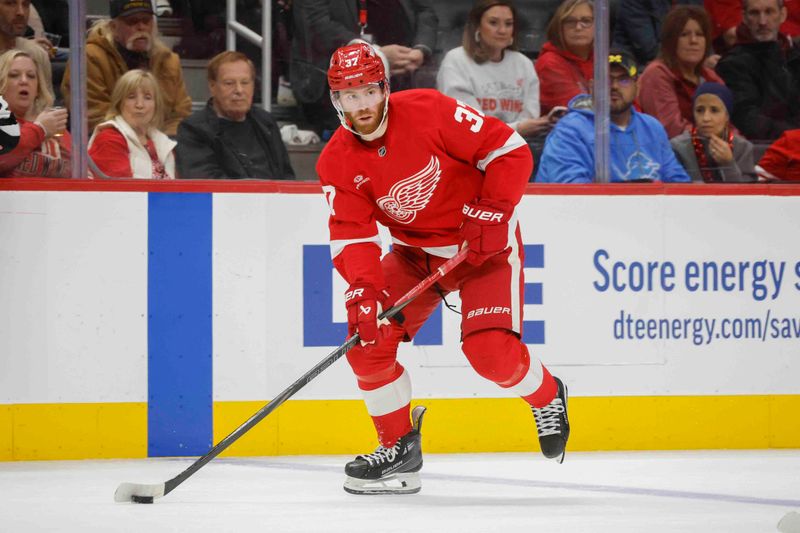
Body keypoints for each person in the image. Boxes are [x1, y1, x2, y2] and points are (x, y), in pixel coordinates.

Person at [316, 43, 570, 495]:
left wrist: (494, 210)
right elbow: (353, 235)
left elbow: (509, 151)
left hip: (482, 250)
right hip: (415, 255)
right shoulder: (336, 160)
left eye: (368, 92)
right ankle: (399, 451)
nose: (362, 106)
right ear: (336, 101)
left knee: (490, 354)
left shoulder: (429, 110)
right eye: (349, 96)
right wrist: (364, 289)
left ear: (385, 89)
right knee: (366, 344)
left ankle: (548, 396)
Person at [536, 50, 691, 183]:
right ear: (591, 86)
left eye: (624, 79)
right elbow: (572, 193)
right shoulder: (570, 131)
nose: (614, 86)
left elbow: (678, 184)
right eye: (606, 79)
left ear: (637, 87)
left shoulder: (652, 128)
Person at [290, 0, 438, 133]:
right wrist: (375, 54)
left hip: (405, 76)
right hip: (338, 87)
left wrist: (421, 49)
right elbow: (314, 23)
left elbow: (425, 11)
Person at [61, 0, 192, 136]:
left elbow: (181, 113)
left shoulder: (168, 60)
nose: (141, 27)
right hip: (108, 142)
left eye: (146, 21)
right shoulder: (89, 57)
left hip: (163, 143)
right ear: (113, 27)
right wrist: (143, 140)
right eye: (132, 22)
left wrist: (162, 144)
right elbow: (93, 115)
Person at [437, 0, 552, 138]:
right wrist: (517, 129)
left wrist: (519, 130)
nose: (502, 30)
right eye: (493, 23)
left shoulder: (524, 64)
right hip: (467, 147)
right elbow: (469, 125)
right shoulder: (456, 60)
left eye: (508, 24)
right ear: (477, 27)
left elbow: (529, 118)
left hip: (516, 146)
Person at [176, 51, 295, 180]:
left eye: (245, 82)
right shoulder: (193, 129)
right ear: (212, 86)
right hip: (228, 199)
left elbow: (287, 176)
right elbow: (205, 182)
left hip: (274, 198)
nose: (239, 90)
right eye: (229, 83)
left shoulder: (266, 122)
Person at [715, 0, 800, 141]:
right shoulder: (732, 64)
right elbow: (747, 119)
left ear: (783, 14)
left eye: (769, 12)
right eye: (754, 13)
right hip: (763, 150)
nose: (762, 21)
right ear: (744, 17)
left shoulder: (794, 55)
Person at [639, 6, 726, 139]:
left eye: (699, 34)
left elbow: (726, 123)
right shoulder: (657, 74)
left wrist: (734, 142)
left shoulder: (711, 78)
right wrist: (715, 138)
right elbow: (671, 129)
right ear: (671, 41)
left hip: (711, 149)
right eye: (684, 34)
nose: (693, 41)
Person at [88, 69, 176, 179]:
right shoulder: (108, 139)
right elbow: (122, 192)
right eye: (131, 97)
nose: (140, 105)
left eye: (147, 98)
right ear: (119, 102)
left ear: (156, 105)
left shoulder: (162, 142)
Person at [0, 49, 69, 178]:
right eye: (14, 75)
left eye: (31, 76)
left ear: (38, 88)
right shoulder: (44, 126)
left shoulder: (55, 127)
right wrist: (40, 129)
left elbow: (82, 173)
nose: (24, 81)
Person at [670, 82, 755, 181]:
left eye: (714, 110)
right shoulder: (678, 147)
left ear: (727, 116)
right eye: (699, 110)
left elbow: (747, 193)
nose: (706, 118)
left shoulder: (743, 148)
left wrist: (728, 164)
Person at [534, 0, 595, 116]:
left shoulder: (603, 60)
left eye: (586, 21)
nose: (578, 27)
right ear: (559, 27)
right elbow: (579, 110)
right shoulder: (549, 63)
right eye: (570, 21)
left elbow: (630, 105)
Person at [612, 0, 704, 67]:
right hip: (637, 67)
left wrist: (708, 57)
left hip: (681, 63)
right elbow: (649, 50)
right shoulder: (635, 2)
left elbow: (702, 31)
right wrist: (690, 54)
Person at [0, 0, 53, 92]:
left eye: (25, 5)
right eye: (10, 3)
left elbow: (44, 103)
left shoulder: (36, 54)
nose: (21, 12)